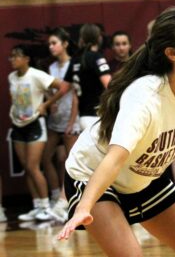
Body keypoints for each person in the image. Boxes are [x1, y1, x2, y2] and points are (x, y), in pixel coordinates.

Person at [57, 5, 175, 257]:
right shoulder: (145, 97)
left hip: (143, 179)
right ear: (173, 54)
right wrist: (84, 206)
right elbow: (114, 158)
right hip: (95, 177)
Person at [8, 44, 65, 222]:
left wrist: (45, 105)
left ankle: (47, 207)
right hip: (18, 125)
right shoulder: (11, 77)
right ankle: (37, 206)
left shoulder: (36, 74)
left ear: (26, 59)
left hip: (35, 125)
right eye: (11, 57)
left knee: (34, 166)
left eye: (16, 56)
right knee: (27, 168)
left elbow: (62, 87)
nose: (13, 60)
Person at [42, 28, 81, 222]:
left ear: (65, 44)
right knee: (46, 157)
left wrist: (72, 121)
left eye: (54, 43)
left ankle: (70, 202)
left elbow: (74, 95)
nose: (51, 47)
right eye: (49, 44)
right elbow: (52, 90)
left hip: (70, 119)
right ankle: (56, 196)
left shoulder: (74, 65)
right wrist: (51, 101)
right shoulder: (51, 68)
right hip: (55, 121)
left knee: (71, 161)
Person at [60, 23, 112, 131]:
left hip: (83, 118)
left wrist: (71, 122)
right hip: (98, 117)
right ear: (99, 38)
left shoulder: (75, 60)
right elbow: (109, 85)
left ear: (82, 39)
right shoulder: (97, 58)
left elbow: (64, 89)